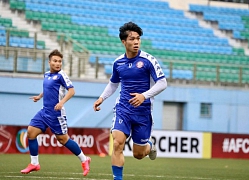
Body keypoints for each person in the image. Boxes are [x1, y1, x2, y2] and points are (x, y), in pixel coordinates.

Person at [93, 22, 167, 180]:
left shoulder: (148, 60)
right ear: (123, 41)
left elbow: (163, 83)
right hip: (123, 109)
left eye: (138, 39)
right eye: (132, 39)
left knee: (138, 154)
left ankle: (150, 146)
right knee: (118, 143)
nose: (136, 42)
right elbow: (113, 84)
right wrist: (101, 98)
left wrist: (143, 96)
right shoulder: (118, 63)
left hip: (143, 112)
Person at [20, 49, 91, 176]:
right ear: (49, 62)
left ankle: (84, 159)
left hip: (56, 114)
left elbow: (72, 91)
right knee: (31, 132)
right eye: (55, 61)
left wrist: (62, 102)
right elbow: (48, 89)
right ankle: (34, 163)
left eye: (60, 61)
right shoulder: (46, 74)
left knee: (63, 140)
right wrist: (40, 96)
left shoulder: (62, 75)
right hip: (44, 111)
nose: (58, 64)